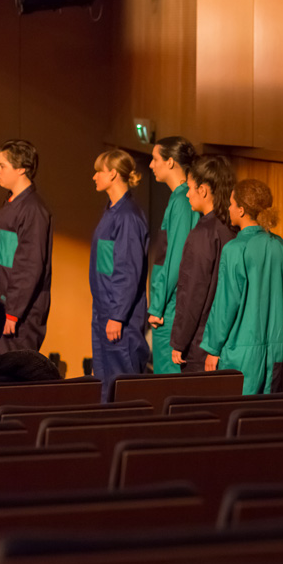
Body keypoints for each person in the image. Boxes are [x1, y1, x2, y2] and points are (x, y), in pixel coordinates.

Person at [200, 180, 283, 395]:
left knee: (237, 411)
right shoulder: (280, 246)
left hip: (240, 353)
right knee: (265, 412)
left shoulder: (235, 249)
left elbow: (225, 304)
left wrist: (213, 348)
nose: (228, 208)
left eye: (232, 203)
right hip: (275, 351)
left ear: (241, 210)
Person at [89, 150, 150, 401]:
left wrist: (117, 315)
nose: (94, 176)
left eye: (99, 171)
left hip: (119, 320)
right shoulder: (112, 211)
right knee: (104, 385)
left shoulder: (128, 216)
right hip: (104, 312)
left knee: (122, 386)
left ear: (113, 174)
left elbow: (128, 270)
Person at [170, 156, 236, 373]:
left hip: (200, 344)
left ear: (204, 190)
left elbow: (192, 293)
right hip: (228, 342)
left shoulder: (202, 234)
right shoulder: (234, 229)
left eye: (190, 188)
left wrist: (179, 341)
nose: (187, 194)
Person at [0, 139, 53, 352]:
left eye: (2, 165)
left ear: (22, 168)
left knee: (13, 368)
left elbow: (29, 265)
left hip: (19, 316)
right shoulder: (12, 203)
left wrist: (12, 312)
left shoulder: (32, 210)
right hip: (3, 307)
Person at [147, 136, 199, 374]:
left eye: (155, 159)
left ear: (170, 162)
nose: (151, 165)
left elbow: (176, 258)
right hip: (170, 304)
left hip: (170, 308)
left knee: (167, 379)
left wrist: (157, 307)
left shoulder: (182, 199)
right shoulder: (179, 197)